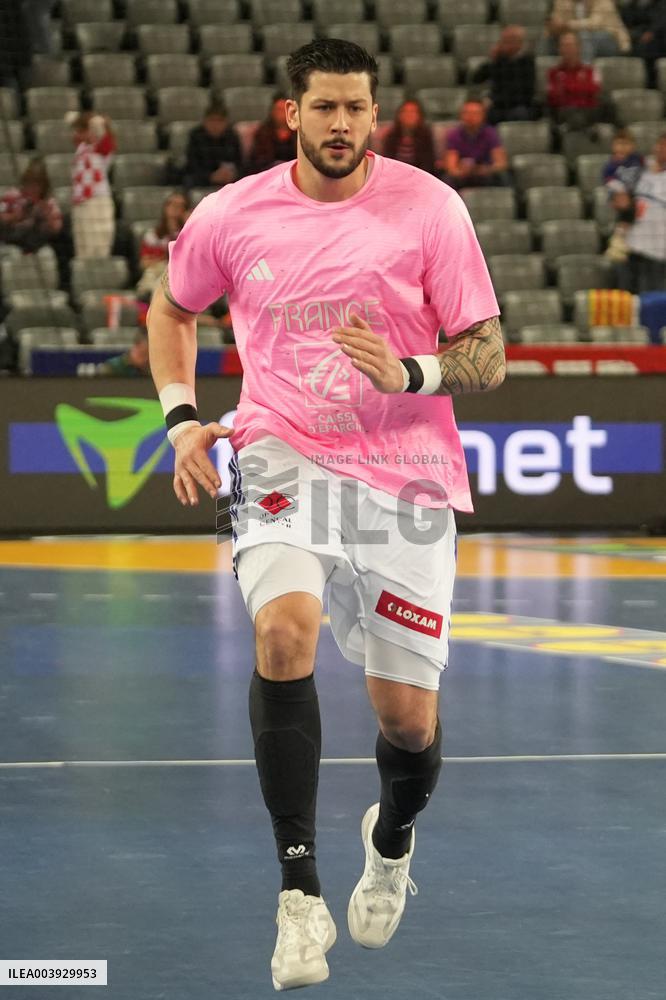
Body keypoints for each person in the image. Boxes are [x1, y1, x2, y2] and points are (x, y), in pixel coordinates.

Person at [147, 38, 505, 992]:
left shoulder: (432, 207)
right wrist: (181, 418)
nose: (342, 124)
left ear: (375, 115)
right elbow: (171, 308)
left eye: (358, 108)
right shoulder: (233, 213)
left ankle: (389, 845)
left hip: (407, 473)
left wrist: (412, 372)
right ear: (290, 114)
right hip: (280, 452)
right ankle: (298, 893)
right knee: (284, 634)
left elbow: (487, 352)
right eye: (325, 108)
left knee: (410, 723)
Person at [67, 111, 116, 258]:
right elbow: (76, 137)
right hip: (80, 201)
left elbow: (108, 139)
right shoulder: (81, 149)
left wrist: (99, 124)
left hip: (97, 201)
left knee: (99, 246)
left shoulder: (101, 150)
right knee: (82, 247)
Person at [624, 133, 666, 292]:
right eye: (660, 145)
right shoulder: (641, 167)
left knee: (652, 295)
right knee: (631, 294)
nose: (661, 149)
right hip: (633, 243)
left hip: (659, 250)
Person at [472, 25, 537, 124]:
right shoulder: (499, 60)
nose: (503, 44)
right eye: (503, 40)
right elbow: (476, 79)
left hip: (519, 106)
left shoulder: (527, 62)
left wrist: (493, 99)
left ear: (519, 43)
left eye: (508, 41)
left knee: (519, 114)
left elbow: (522, 93)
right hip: (499, 106)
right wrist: (492, 60)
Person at [0, 157, 62, 253]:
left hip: (37, 242)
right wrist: (14, 217)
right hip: (12, 239)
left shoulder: (49, 203)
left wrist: (47, 215)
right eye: (29, 183)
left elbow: (56, 228)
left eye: (37, 184)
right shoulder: (12, 195)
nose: (32, 188)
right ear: (24, 182)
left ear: (44, 186)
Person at [443, 99, 509, 188]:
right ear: (461, 115)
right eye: (467, 113)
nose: (471, 117)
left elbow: (501, 163)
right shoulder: (454, 135)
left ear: (483, 115)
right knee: (447, 180)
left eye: (475, 113)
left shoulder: (490, 133)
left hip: (485, 175)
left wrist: (486, 169)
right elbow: (451, 167)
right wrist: (461, 171)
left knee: (503, 177)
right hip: (463, 176)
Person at [136, 191, 191, 298]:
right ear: (165, 207)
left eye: (180, 205)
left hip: (179, 275)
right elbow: (144, 263)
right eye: (171, 204)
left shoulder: (187, 235)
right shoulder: (153, 235)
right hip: (157, 272)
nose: (174, 208)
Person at [547, 31, 601, 132]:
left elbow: (594, 92)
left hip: (588, 111)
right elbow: (554, 97)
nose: (568, 49)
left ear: (579, 47)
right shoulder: (553, 73)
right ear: (559, 49)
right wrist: (579, 89)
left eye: (571, 45)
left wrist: (569, 89)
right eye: (564, 46)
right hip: (565, 111)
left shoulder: (590, 71)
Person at [545, 0, 631, 60]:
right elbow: (557, 21)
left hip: (611, 39)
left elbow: (596, 24)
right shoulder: (562, 1)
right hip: (576, 37)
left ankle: (584, 76)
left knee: (585, 38)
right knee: (547, 39)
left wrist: (568, 25)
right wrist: (553, 28)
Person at [183, 102, 243, 190]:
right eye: (212, 120)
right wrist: (210, 176)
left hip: (228, 179)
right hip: (202, 178)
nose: (215, 125)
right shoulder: (196, 135)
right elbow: (192, 165)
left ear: (226, 122)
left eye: (220, 120)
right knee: (188, 179)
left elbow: (239, 163)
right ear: (205, 121)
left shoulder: (232, 136)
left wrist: (232, 173)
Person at [246, 95, 298, 173]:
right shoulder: (263, 133)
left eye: (284, 110)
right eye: (278, 110)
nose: (281, 114)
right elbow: (256, 161)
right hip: (269, 173)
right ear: (272, 112)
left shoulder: (298, 132)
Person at [382, 99, 436, 173]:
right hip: (395, 175)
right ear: (399, 115)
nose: (409, 115)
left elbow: (428, 164)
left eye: (413, 112)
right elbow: (387, 162)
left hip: (419, 176)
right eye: (405, 112)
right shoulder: (391, 136)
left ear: (420, 116)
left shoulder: (426, 136)